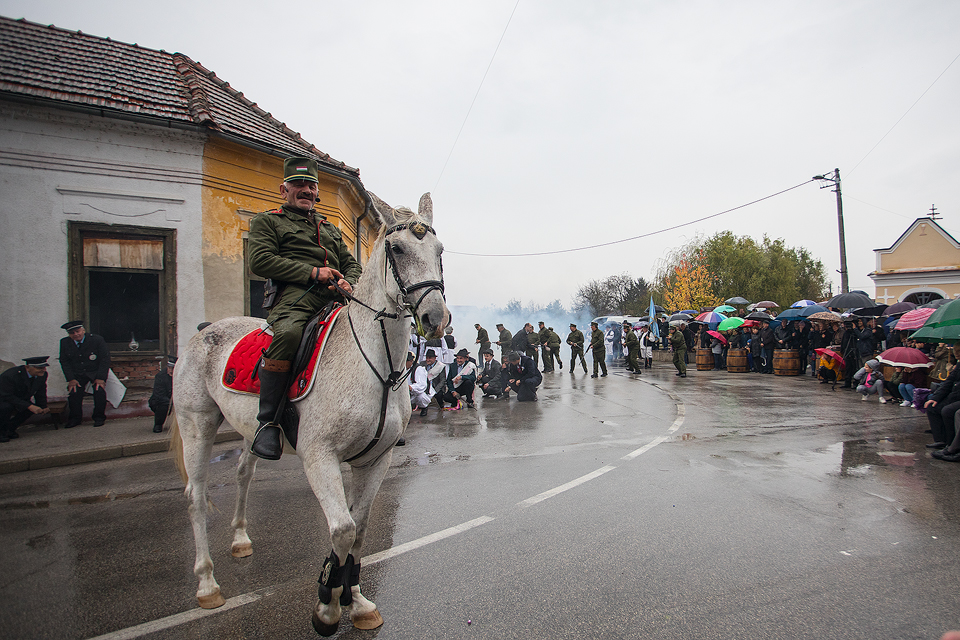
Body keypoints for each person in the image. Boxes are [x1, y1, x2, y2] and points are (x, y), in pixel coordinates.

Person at [246, 157, 362, 460]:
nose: (306, 190)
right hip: (295, 298)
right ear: (284, 189)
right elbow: (260, 261)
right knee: (287, 335)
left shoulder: (330, 228)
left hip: (335, 298)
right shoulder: (267, 221)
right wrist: (313, 273)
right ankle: (268, 422)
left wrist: (348, 282)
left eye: (311, 185)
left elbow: (351, 264)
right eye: (299, 185)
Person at [59, 320, 110, 428]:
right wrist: (71, 379)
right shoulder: (64, 342)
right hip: (77, 373)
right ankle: (75, 419)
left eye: (78, 331)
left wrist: (101, 377)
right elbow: (64, 361)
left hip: (94, 372)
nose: (76, 334)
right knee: (74, 393)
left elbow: (105, 359)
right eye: (72, 333)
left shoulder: (96, 339)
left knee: (99, 391)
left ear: (83, 330)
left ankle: (99, 417)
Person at [0, 357, 50, 443]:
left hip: (20, 399)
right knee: (6, 408)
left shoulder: (42, 375)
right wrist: (29, 406)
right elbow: (6, 395)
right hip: (4, 399)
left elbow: (41, 391)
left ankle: (9, 429)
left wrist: (43, 406)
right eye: (39, 368)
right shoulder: (11, 375)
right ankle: (1, 432)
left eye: (44, 367)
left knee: (31, 409)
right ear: (27, 367)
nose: (42, 370)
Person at [148, 356, 176, 433]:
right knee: (162, 405)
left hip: (176, 400)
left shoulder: (181, 376)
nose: (171, 370)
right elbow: (159, 395)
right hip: (162, 400)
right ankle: (158, 424)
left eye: (173, 368)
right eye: (169, 368)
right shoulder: (160, 376)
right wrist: (172, 403)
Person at [408, 352, 433, 417]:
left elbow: (422, 385)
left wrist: (411, 387)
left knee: (421, 397)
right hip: (406, 393)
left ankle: (424, 407)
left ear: (411, 361)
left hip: (416, 393)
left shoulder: (419, 369)